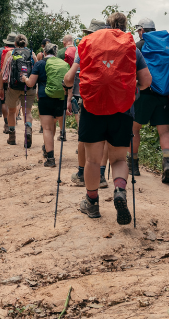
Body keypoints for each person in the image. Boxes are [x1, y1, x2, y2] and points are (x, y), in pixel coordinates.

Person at [63, 13, 152, 225]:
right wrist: (130, 91)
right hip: (122, 110)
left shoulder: (85, 46)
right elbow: (147, 81)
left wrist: (68, 86)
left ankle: (92, 203)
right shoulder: (132, 47)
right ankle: (119, 190)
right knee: (120, 159)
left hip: (92, 108)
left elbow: (68, 79)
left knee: (93, 160)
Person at [130, 18, 169, 183]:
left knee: (134, 128)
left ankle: (133, 166)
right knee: (165, 131)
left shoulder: (139, 46)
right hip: (163, 94)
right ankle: (167, 164)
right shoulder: (165, 45)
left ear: (142, 30)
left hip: (143, 93)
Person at [68, 22, 109, 189]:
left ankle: (81, 173)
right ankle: (100, 175)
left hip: (89, 97)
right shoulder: (112, 47)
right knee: (105, 137)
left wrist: (69, 90)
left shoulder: (84, 46)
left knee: (84, 136)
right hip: (111, 98)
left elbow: (72, 75)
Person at [22, 43, 68, 167]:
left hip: (45, 98)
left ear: (44, 52)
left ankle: (51, 159)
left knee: (47, 128)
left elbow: (31, 83)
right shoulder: (62, 63)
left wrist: (25, 78)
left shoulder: (40, 63)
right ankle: (47, 149)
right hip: (60, 98)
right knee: (53, 125)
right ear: (56, 53)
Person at [0, 34, 36, 146]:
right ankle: (28, 130)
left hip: (13, 87)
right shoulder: (31, 54)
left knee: (12, 111)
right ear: (26, 43)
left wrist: (1, 88)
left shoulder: (11, 53)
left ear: (15, 43)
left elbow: (3, 73)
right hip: (28, 86)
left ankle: (12, 137)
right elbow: (35, 72)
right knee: (27, 112)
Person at [0, 33, 17, 133]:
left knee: (3, 102)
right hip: (16, 80)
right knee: (15, 102)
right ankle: (13, 121)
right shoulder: (21, 50)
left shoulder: (0, 50)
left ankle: (7, 123)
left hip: (4, 79)